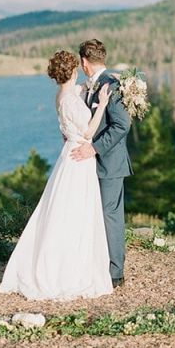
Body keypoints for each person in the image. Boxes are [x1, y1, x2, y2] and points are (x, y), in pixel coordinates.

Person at [0, 49, 113, 300]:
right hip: (78, 157)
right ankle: (67, 271)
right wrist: (102, 105)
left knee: (62, 211)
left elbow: (77, 94)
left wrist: (88, 88)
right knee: (75, 212)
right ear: (73, 70)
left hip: (68, 155)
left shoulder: (63, 95)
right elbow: (87, 133)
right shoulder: (70, 100)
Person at [71, 39, 133, 288]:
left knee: (111, 217)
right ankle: (96, 265)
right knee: (94, 215)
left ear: (84, 62)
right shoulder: (92, 85)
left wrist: (94, 148)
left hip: (110, 163)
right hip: (92, 164)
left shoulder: (111, 84)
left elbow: (122, 125)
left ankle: (115, 273)